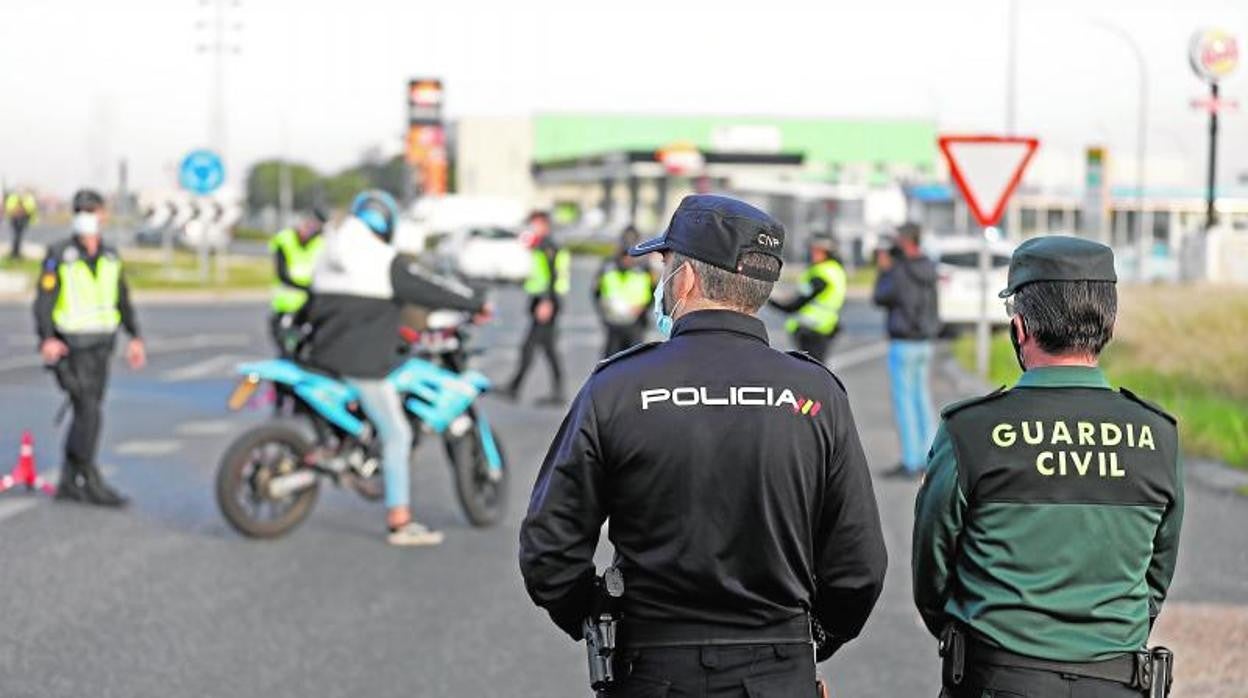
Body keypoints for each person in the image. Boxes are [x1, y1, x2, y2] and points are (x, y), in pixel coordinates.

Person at [519, 194, 888, 697]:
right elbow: (858, 567)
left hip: (650, 667)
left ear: (686, 279)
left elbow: (549, 547)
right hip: (779, 670)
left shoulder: (617, 388)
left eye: (665, 267)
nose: (661, 281)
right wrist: (809, 640)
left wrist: (595, 617)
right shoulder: (816, 395)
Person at [913, 236, 1183, 698]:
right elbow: (1156, 576)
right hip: (1116, 681)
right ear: (1110, 325)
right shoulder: (1156, 434)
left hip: (996, 678)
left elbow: (933, 571)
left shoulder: (971, 429)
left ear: (1020, 328)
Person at [305, 190, 487, 546]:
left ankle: (342, 449)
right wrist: (475, 302)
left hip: (322, 358)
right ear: (387, 223)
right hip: (365, 365)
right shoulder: (386, 260)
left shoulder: (330, 254)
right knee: (398, 434)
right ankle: (400, 521)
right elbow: (429, 289)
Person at [33, 189, 145, 507]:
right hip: (72, 348)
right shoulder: (60, 254)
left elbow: (122, 298)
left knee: (89, 409)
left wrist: (134, 336)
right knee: (88, 412)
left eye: (93, 211)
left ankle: (70, 479)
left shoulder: (110, 256)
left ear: (103, 215)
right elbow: (44, 302)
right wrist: (47, 338)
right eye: (83, 211)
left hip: (101, 346)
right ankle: (89, 476)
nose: (89, 217)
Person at [872, 223, 940, 478]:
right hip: (925, 341)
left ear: (904, 240)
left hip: (903, 341)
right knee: (922, 399)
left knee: (905, 402)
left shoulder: (899, 270)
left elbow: (881, 297)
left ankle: (911, 461)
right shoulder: (929, 267)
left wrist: (883, 271)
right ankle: (929, 458)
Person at [502, 210, 570, 405]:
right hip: (542, 301)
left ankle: (515, 388)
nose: (532, 228)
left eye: (535, 224)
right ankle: (521, 388)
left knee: (531, 348)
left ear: (545, 225)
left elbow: (552, 276)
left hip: (547, 302)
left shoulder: (548, 246)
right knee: (546, 349)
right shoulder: (542, 245)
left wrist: (546, 302)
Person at [768, 234, 848, 362]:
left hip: (812, 330)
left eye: (817, 251)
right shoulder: (832, 269)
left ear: (827, 253)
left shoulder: (822, 273)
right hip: (823, 327)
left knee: (811, 368)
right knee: (816, 368)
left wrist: (772, 301)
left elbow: (799, 302)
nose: (813, 253)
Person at [268, 209, 327, 356]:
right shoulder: (284, 239)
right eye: (307, 224)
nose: (308, 228)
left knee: (307, 348)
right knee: (286, 348)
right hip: (286, 304)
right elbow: (282, 274)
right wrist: (305, 287)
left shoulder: (320, 244)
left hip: (310, 306)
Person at [591, 225, 655, 358]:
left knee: (635, 364)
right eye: (625, 253)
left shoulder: (645, 269)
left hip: (636, 324)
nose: (627, 258)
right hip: (613, 324)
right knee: (610, 364)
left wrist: (642, 310)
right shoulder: (608, 267)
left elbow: (654, 294)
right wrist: (605, 315)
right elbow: (596, 293)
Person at [5, 188, 38, 259]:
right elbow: (9, 208)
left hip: (23, 218)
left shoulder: (28, 198)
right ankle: (15, 253)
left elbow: (31, 209)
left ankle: (16, 252)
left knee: (18, 236)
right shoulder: (14, 198)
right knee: (17, 236)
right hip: (16, 218)